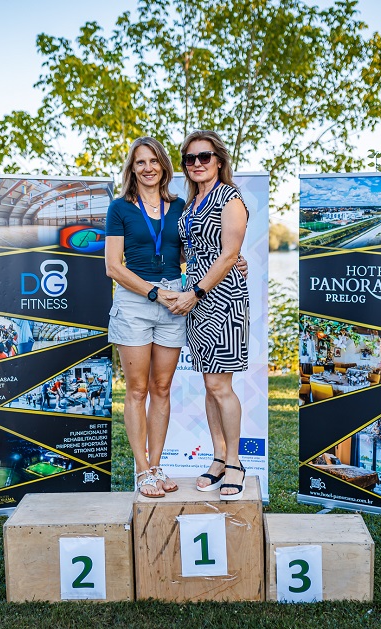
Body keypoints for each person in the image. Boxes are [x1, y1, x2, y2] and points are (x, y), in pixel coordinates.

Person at [168, 130, 250, 500]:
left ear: (218, 160)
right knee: (209, 384)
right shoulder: (190, 205)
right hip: (196, 302)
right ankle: (218, 457)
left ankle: (234, 463)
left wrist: (196, 291)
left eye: (204, 156)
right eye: (190, 158)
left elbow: (230, 254)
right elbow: (192, 251)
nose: (197, 163)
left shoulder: (229, 197)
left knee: (221, 386)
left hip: (223, 299)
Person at [105, 137, 189, 499]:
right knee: (137, 390)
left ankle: (157, 466)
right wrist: (154, 292)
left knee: (162, 389)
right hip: (136, 301)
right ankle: (141, 470)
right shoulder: (120, 208)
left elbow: (188, 252)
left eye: (154, 161)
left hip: (173, 301)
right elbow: (113, 267)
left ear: (164, 166)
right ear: (132, 168)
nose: (148, 167)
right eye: (140, 162)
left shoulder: (179, 206)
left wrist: (235, 259)